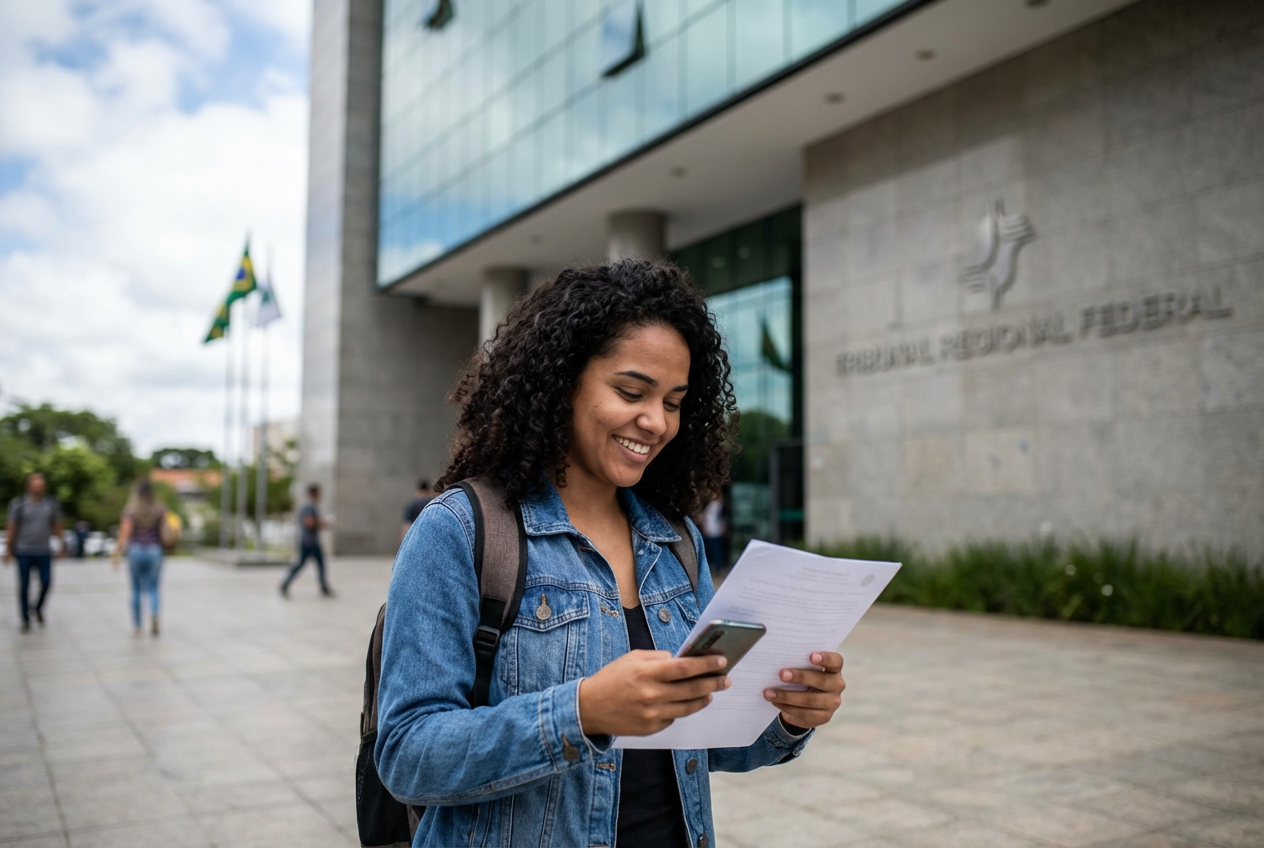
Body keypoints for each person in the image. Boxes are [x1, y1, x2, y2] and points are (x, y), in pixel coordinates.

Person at [376, 259, 847, 848]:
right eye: (631, 391)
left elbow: (705, 741)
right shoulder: (459, 531)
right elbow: (407, 755)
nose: (655, 422)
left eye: (674, 401)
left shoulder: (676, 540)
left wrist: (786, 715)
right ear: (562, 380)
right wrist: (583, 711)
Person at [4, 472, 64, 632]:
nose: (38, 487)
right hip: (23, 550)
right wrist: (8, 549)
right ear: (29, 486)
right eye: (35, 484)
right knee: (24, 586)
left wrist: (60, 545)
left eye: (40, 484)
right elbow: (12, 527)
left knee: (46, 582)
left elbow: (57, 524)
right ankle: (24, 618)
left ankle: (37, 607)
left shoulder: (50, 504)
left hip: (44, 550)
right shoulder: (19, 504)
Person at [112, 480, 167, 636]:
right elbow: (165, 530)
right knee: (153, 588)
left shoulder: (131, 510)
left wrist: (118, 553)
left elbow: (125, 533)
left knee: (135, 589)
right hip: (155, 550)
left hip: (136, 551)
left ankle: (137, 626)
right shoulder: (159, 509)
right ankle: (154, 613)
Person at [280, 484, 332, 598]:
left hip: (309, 541)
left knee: (318, 565)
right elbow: (309, 523)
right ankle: (285, 584)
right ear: (314, 493)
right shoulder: (309, 506)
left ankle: (324, 588)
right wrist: (322, 523)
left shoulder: (308, 505)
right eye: (318, 493)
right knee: (306, 565)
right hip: (309, 542)